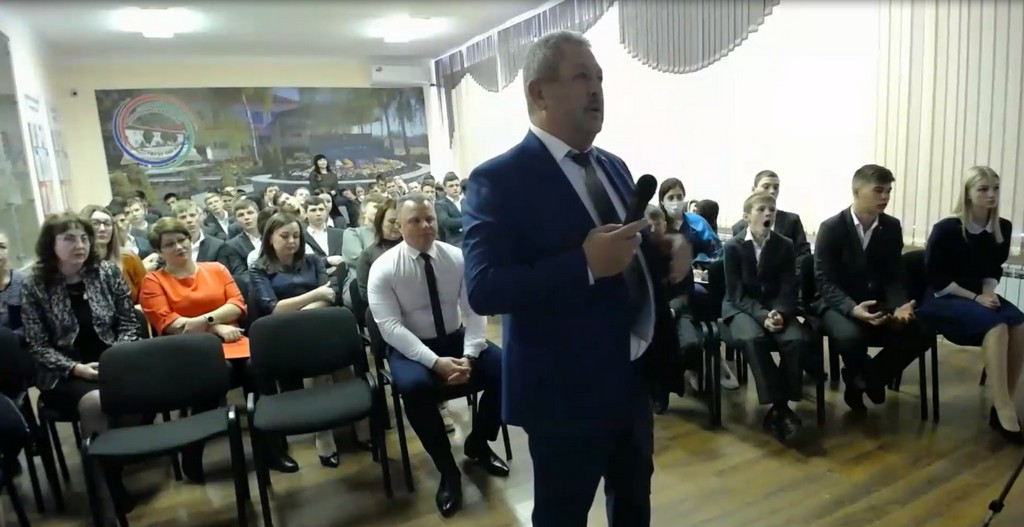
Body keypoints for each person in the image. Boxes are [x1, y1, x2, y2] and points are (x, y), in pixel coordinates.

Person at [461, 30, 688, 527]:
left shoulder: (614, 166)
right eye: (582, 77)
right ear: (539, 93)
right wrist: (582, 264)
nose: (597, 90)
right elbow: (484, 288)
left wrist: (667, 249)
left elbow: (628, 251)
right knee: (563, 515)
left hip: (631, 374)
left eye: (600, 78)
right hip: (564, 391)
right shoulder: (497, 180)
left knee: (634, 501)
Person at [368, 194, 508, 517]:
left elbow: (474, 310)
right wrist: (435, 362)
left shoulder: (456, 257)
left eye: (429, 218)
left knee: (506, 369)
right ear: (399, 226)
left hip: (455, 340)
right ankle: (448, 471)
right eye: (415, 220)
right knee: (414, 388)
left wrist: (470, 356)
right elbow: (390, 328)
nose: (425, 226)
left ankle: (478, 443)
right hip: (411, 346)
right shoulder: (383, 269)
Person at [20, 212, 141, 525]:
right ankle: (106, 494)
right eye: (69, 238)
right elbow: (37, 346)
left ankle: (111, 472)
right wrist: (76, 368)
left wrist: (116, 357)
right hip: (64, 373)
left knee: (137, 396)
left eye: (84, 238)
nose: (80, 245)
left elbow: (129, 322)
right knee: (96, 402)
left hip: (115, 362)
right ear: (51, 245)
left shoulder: (107, 272)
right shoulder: (35, 284)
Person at [814, 164, 931, 413]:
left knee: (921, 331)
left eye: (888, 191)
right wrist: (851, 308)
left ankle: (865, 379)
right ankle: (865, 376)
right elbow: (824, 281)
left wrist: (900, 304)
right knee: (850, 337)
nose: (885, 197)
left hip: (875, 301)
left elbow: (894, 275)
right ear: (856, 191)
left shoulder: (891, 226)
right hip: (837, 303)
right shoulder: (831, 228)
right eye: (879, 190)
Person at [918, 166, 1024, 443]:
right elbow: (935, 276)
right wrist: (976, 298)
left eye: (995, 189)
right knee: (997, 324)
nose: (991, 195)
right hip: (943, 297)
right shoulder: (947, 229)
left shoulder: (1002, 227)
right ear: (967, 193)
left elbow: (993, 268)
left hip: (978, 293)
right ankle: (1003, 408)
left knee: (1019, 323)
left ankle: (1005, 400)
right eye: (983, 189)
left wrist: (988, 292)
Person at [140, 218, 251, 479]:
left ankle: (270, 447)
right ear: (158, 251)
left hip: (233, 342)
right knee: (217, 373)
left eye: (182, 240)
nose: (179, 247)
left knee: (257, 368)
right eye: (170, 244)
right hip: (187, 351)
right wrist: (217, 327)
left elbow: (237, 305)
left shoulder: (216, 269)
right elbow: (171, 325)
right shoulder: (153, 281)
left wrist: (206, 321)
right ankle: (193, 453)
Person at [250, 213, 343, 470]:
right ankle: (325, 435)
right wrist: (314, 296)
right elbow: (273, 308)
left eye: (296, 236)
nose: (292, 241)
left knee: (339, 359)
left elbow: (331, 295)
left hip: (318, 326)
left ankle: (359, 429)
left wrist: (302, 311)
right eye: (284, 236)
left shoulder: (312, 260)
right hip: (283, 336)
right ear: (270, 238)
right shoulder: (259, 268)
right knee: (320, 362)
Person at [722, 192, 812, 444]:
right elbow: (736, 294)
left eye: (771, 209)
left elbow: (788, 286)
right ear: (746, 216)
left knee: (796, 339)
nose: (768, 213)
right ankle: (781, 408)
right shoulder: (733, 247)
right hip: (741, 308)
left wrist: (780, 312)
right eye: (761, 209)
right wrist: (763, 316)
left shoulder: (784, 244)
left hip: (776, 306)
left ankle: (779, 409)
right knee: (752, 338)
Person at [731, 170, 811, 271]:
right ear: (754, 190)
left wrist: (793, 276)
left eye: (776, 187)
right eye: (766, 187)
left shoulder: (791, 221)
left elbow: (803, 255)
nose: (772, 191)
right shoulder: (739, 227)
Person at [80, 205, 147, 303]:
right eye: (95, 223)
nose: (102, 229)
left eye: (107, 224)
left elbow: (149, 296)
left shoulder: (128, 257)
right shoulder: (77, 263)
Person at [435, 172, 464, 246]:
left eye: (457, 185)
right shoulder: (440, 205)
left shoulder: (467, 200)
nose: (455, 188)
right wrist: (469, 221)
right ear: (445, 188)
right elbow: (446, 222)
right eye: (451, 186)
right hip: (456, 243)